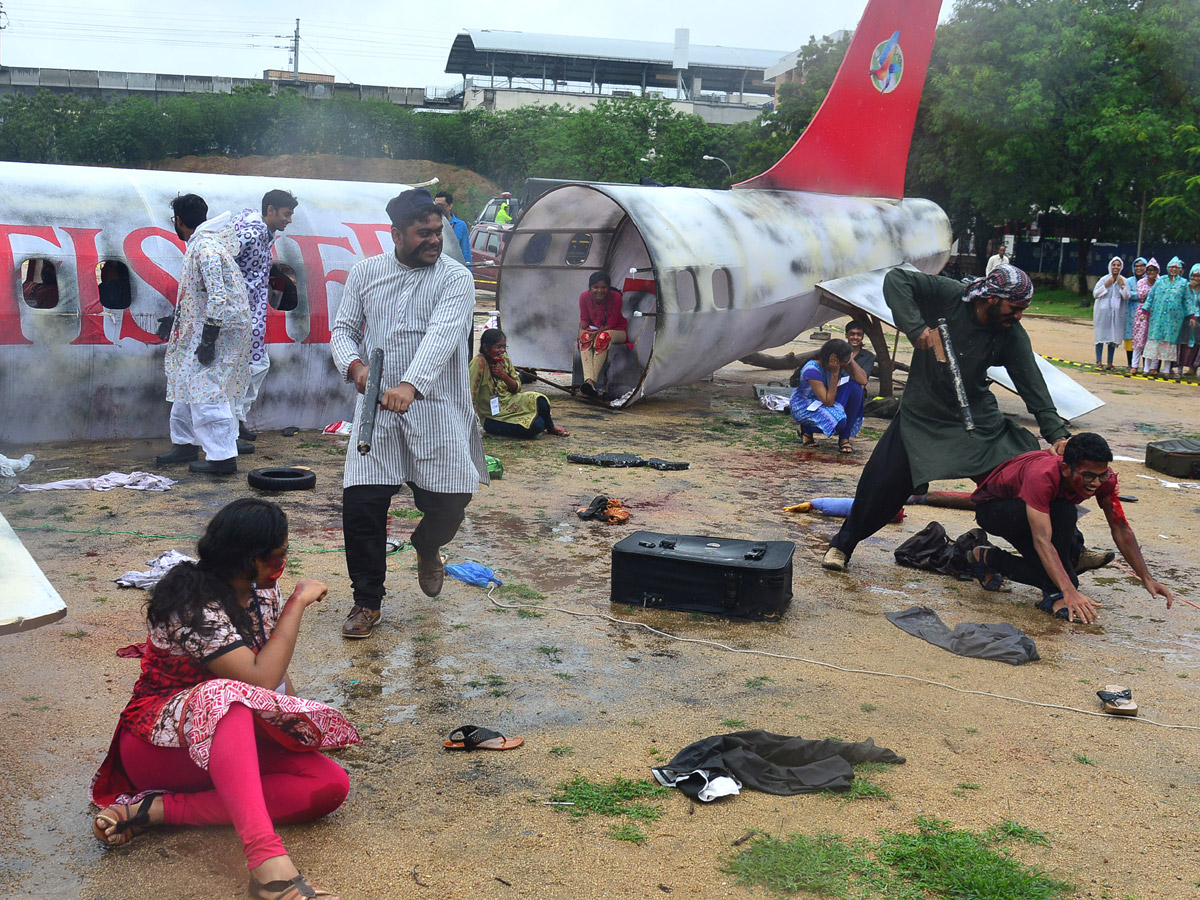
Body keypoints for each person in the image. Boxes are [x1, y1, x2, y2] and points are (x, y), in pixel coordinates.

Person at [89, 499, 358, 900]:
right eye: (279, 556)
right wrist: (297, 605)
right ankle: (269, 869)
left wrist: (292, 729)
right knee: (227, 696)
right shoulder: (189, 602)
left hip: (230, 745)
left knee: (328, 784)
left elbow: (273, 670)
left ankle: (161, 810)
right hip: (160, 748)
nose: (283, 564)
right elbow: (258, 678)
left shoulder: (260, 591)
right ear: (249, 559)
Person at [822, 265, 1072, 572]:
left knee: (1020, 482)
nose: (1019, 315)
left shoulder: (1010, 334)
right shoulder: (950, 296)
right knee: (882, 483)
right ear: (991, 299)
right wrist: (915, 329)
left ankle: (1063, 554)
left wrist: (1056, 432)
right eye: (1015, 307)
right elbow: (896, 280)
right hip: (922, 414)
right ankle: (842, 546)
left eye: (1023, 309)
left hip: (978, 420)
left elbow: (1032, 383)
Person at [330, 187, 488, 639]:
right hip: (375, 415)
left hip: (437, 408)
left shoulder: (455, 278)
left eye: (437, 231)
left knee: (452, 502)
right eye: (423, 233)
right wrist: (355, 366)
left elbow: (442, 336)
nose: (434, 240)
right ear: (396, 233)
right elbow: (342, 330)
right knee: (362, 506)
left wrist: (410, 385)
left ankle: (426, 544)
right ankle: (366, 602)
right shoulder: (366, 273)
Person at [969, 433, 1176, 623]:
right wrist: (1068, 590)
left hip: (1047, 510)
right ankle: (1053, 595)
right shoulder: (1042, 475)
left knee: (1066, 548)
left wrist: (1146, 577)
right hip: (995, 509)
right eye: (1088, 476)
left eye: (1100, 475)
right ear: (1067, 469)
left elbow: (1120, 528)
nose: (1095, 483)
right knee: (1064, 520)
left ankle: (988, 558)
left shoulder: (1105, 479)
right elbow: (1042, 539)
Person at [155, 194, 252, 476]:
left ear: (179, 221)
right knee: (186, 380)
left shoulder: (206, 249)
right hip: (204, 325)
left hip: (216, 328)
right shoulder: (202, 244)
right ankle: (185, 443)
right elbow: (196, 293)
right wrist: (175, 318)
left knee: (207, 389)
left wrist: (209, 339)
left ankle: (222, 458)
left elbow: (218, 296)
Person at [233, 190, 298, 443]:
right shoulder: (251, 233)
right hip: (241, 312)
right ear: (270, 210)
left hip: (254, 312)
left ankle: (238, 419)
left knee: (256, 366)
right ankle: (233, 423)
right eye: (286, 214)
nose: (289, 220)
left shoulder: (264, 232)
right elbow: (224, 257)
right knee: (246, 368)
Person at [470, 328, 569, 437]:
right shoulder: (479, 363)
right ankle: (541, 424)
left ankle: (550, 427)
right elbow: (470, 394)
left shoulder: (504, 358)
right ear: (485, 347)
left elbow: (517, 387)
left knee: (540, 400)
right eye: (498, 347)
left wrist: (503, 376)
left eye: (504, 347)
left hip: (511, 402)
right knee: (537, 425)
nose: (502, 350)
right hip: (493, 416)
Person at [789, 338, 866, 453]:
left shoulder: (840, 363)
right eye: (844, 361)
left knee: (856, 388)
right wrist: (835, 373)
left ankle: (844, 438)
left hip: (824, 399)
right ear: (832, 359)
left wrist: (849, 360)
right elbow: (828, 401)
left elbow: (863, 380)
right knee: (839, 422)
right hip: (806, 406)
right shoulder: (812, 369)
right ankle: (805, 429)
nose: (845, 365)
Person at [577, 271, 628, 397]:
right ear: (590, 288)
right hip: (595, 331)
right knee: (585, 337)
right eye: (596, 287)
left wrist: (595, 334)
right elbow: (584, 320)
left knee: (602, 337)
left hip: (618, 331)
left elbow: (611, 323)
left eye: (603, 287)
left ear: (608, 288)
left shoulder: (616, 297)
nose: (600, 290)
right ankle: (589, 383)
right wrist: (581, 332)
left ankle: (590, 382)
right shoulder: (584, 297)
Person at [1141, 256, 1189, 377]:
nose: (1174, 269)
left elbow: (1187, 301)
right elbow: (1150, 297)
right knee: (1153, 341)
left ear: (1180, 269)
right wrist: (1144, 311)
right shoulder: (1160, 281)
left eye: (1176, 267)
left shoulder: (1183, 283)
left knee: (1169, 343)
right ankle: (1147, 368)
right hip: (1157, 317)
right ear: (1168, 268)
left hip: (1173, 319)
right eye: (1172, 267)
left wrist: (1192, 316)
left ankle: (1167, 369)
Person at [1091, 256, 1129, 370]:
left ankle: (1110, 363)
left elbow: (1127, 296)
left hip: (1116, 315)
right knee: (1100, 336)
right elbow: (1095, 294)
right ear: (1110, 266)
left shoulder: (1123, 280)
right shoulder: (1103, 279)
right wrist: (1107, 284)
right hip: (1102, 314)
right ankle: (1098, 361)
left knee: (1113, 338)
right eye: (1114, 265)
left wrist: (1122, 284)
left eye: (1118, 265)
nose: (1116, 267)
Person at [1131, 258, 1158, 373]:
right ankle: (1134, 365)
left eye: (1153, 270)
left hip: (1156, 313)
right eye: (1149, 270)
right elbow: (1141, 296)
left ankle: (1152, 367)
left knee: (1153, 340)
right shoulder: (1141, 282)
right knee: (1139, 339)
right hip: (1142, 312)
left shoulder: (1161, 282)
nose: (1151, 272)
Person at [434, 191, 472, 263]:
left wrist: (468, 269)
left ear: (450, 206)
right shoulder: (431, 224)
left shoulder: (460, 225)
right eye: (436, 205)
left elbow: (465, 251)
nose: (438, 208)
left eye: (441, 205)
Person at [1122, 257, 1147, 369]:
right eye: (1136, 266)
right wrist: (1140, 296)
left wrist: (1136, 295)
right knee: (1130, 339)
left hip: (1145, 313)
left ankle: (1146, 365)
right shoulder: (1129, 281)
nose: (1139, 268)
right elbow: (1125, 294)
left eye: (1142, 265)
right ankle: (1130, 363)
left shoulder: (1150, 280)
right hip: (1130, 313)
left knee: (1144, 338)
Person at [1178, 263, 1200, 376]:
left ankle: (1193, 368)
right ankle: (1179, 367)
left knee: (1197, 344)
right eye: (1194, 275)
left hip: (1199, 320)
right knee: (1183, 343)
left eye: (1199, 275)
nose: (1196, 278)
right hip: (1186, 319)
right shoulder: (1185, 287)